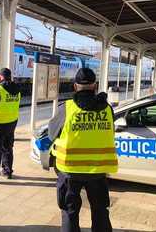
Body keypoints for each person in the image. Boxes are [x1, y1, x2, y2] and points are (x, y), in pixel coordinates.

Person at [48, 68, 118, 232]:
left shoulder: (66, 108)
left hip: (69, 171)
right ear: (95, 86)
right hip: (97, 170)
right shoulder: (107, 109)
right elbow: (111, 132)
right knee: (100, 212)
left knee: (69, 212)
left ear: (75, 86)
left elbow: (52, 134)